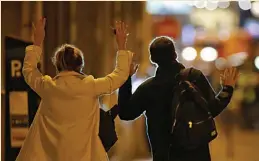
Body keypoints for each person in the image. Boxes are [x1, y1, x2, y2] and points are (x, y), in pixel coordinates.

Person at [16, 18, 133, 161]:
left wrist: (37, 42)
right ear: (81, 65)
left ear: (57, 64)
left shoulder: (47, 87)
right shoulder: (91, 86)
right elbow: (119, 76)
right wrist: (121, 45)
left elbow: (28, 70)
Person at [118, 36, 239, 161]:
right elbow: (212, 109)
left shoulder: (148, 89)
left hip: (165, 156)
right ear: (175, 54)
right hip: (196, 155)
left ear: (153, 59)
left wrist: (126, 79)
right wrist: (227, 89)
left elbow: (125, 113)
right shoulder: (194, 78)